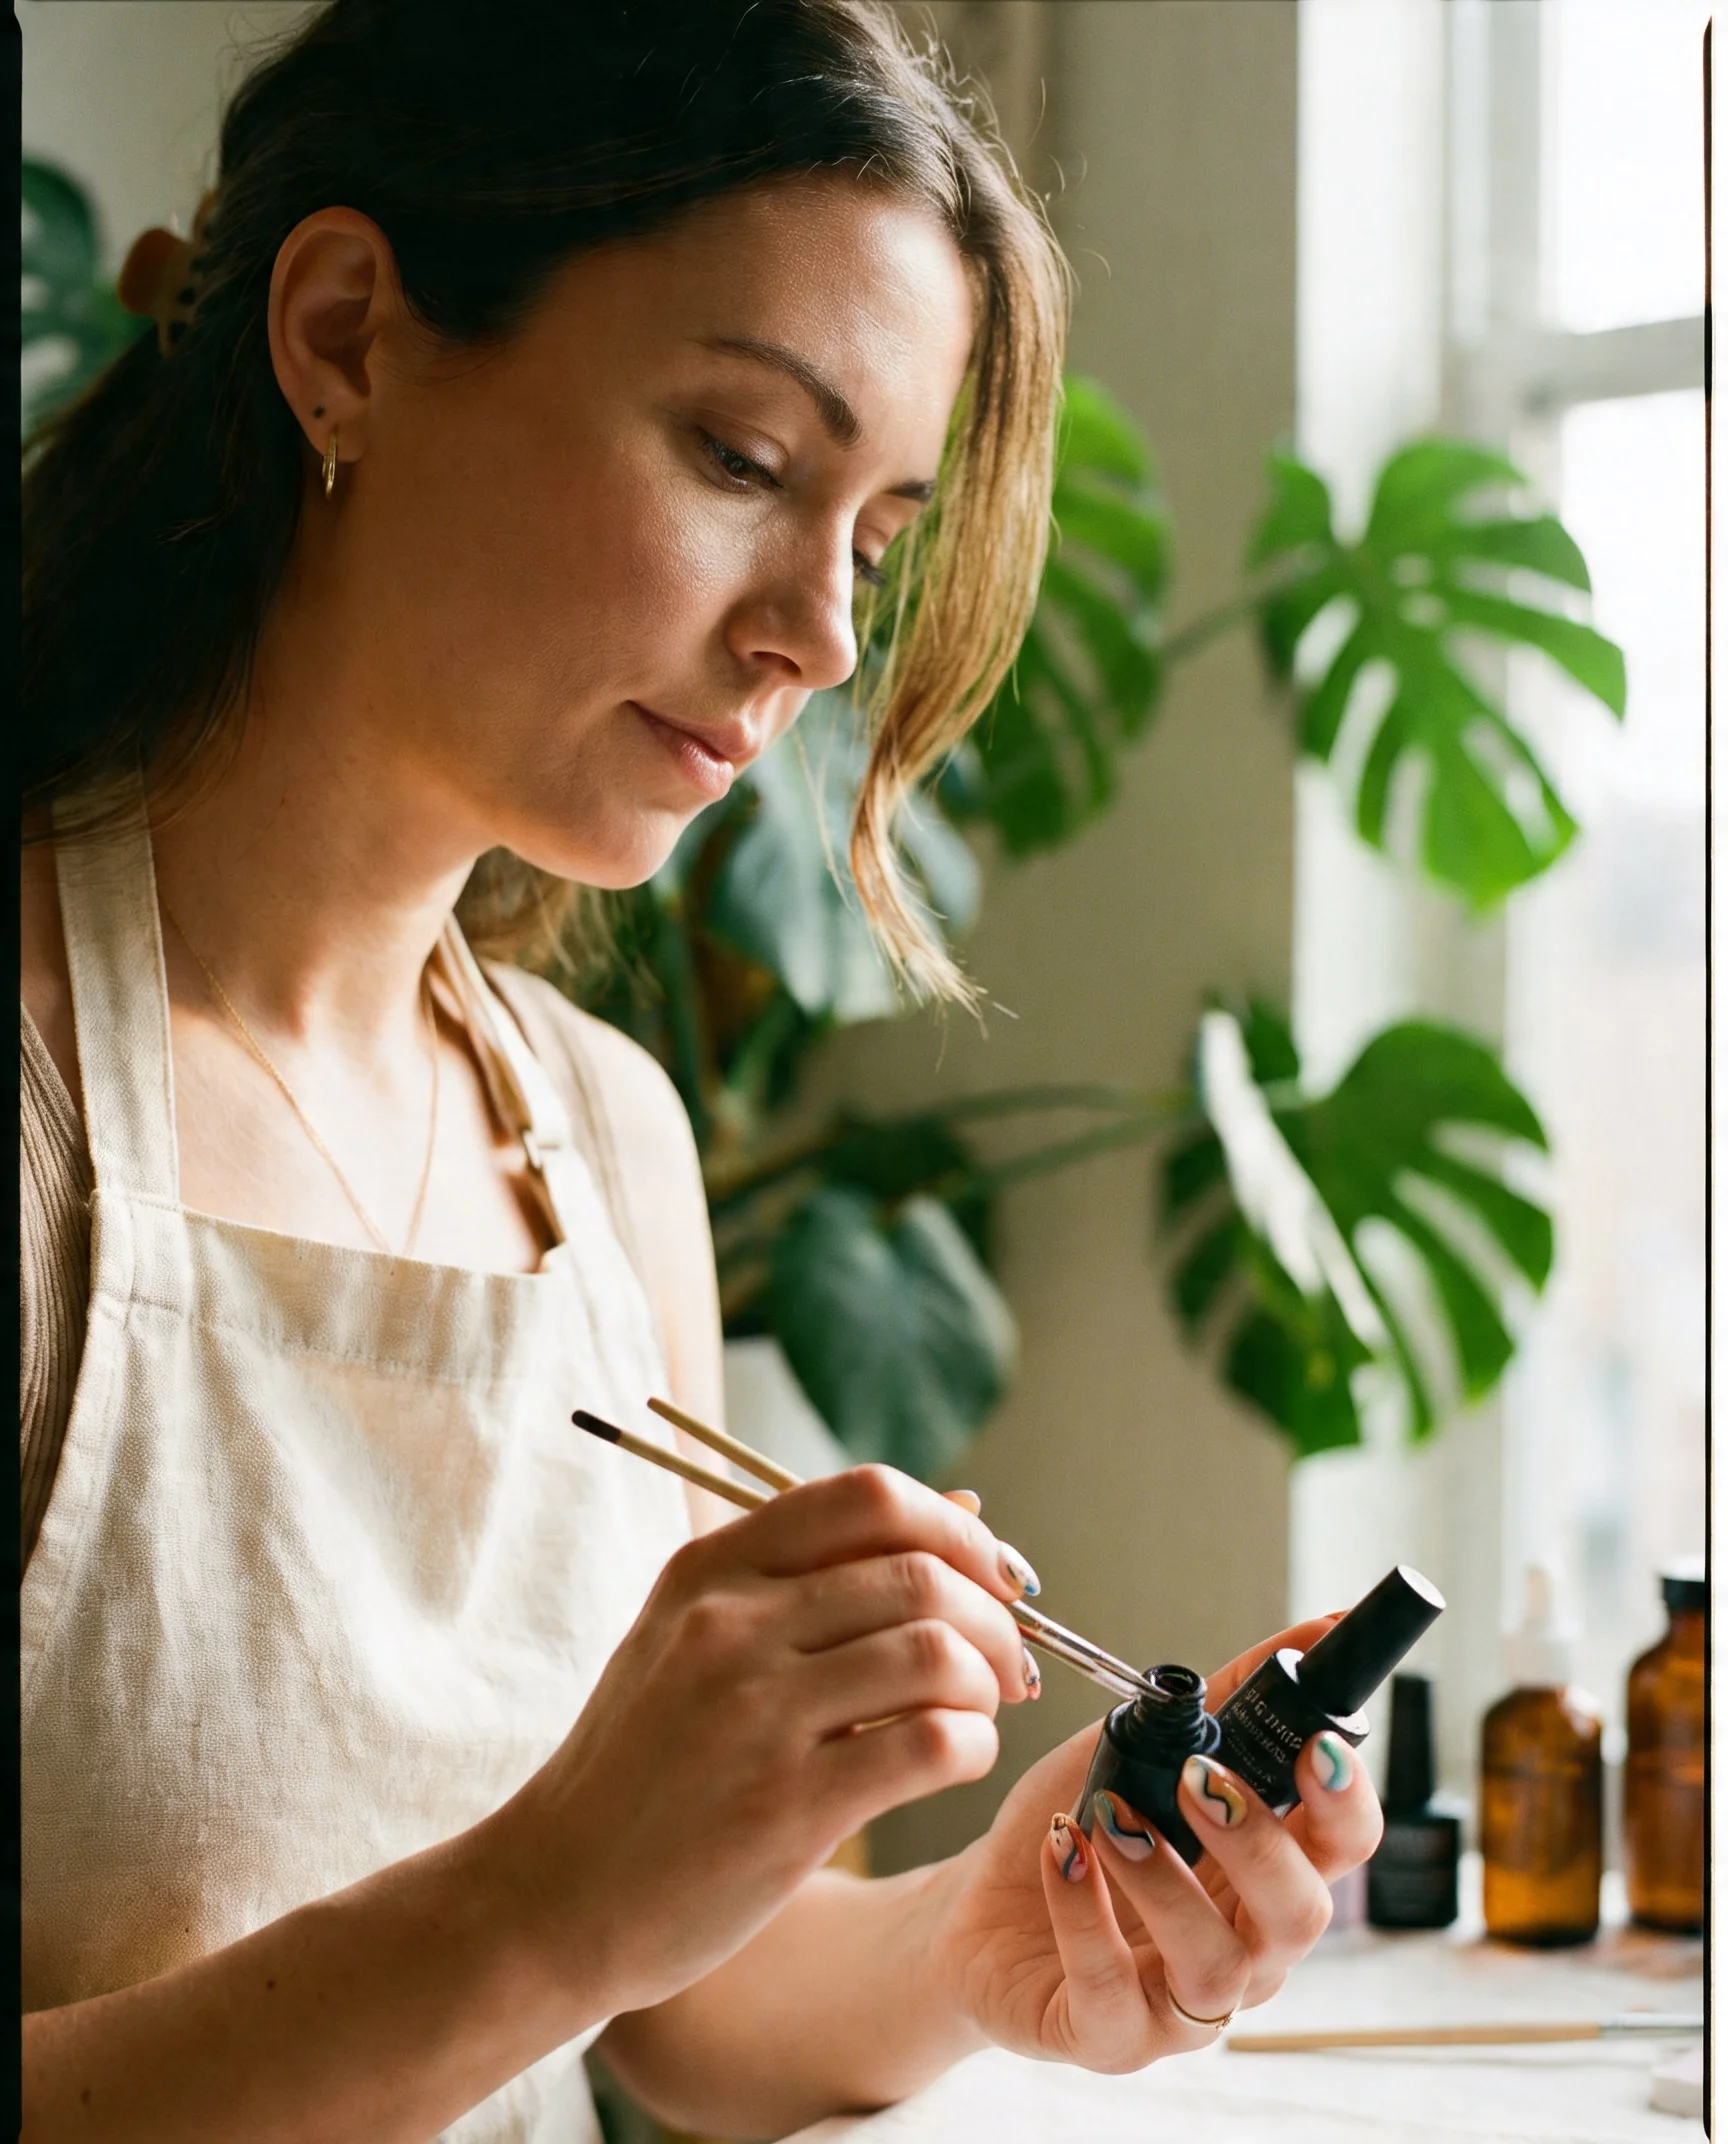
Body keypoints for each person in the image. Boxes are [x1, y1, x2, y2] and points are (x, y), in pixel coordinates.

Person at [18, 3, 1382, 2137]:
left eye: (874, 531)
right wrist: (542, 1906)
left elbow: (679, 2011)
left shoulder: (597, 1135)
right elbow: (565, 1943)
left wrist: (979, 1938)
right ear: (351, 334)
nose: (827, 640)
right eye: (747, 457)